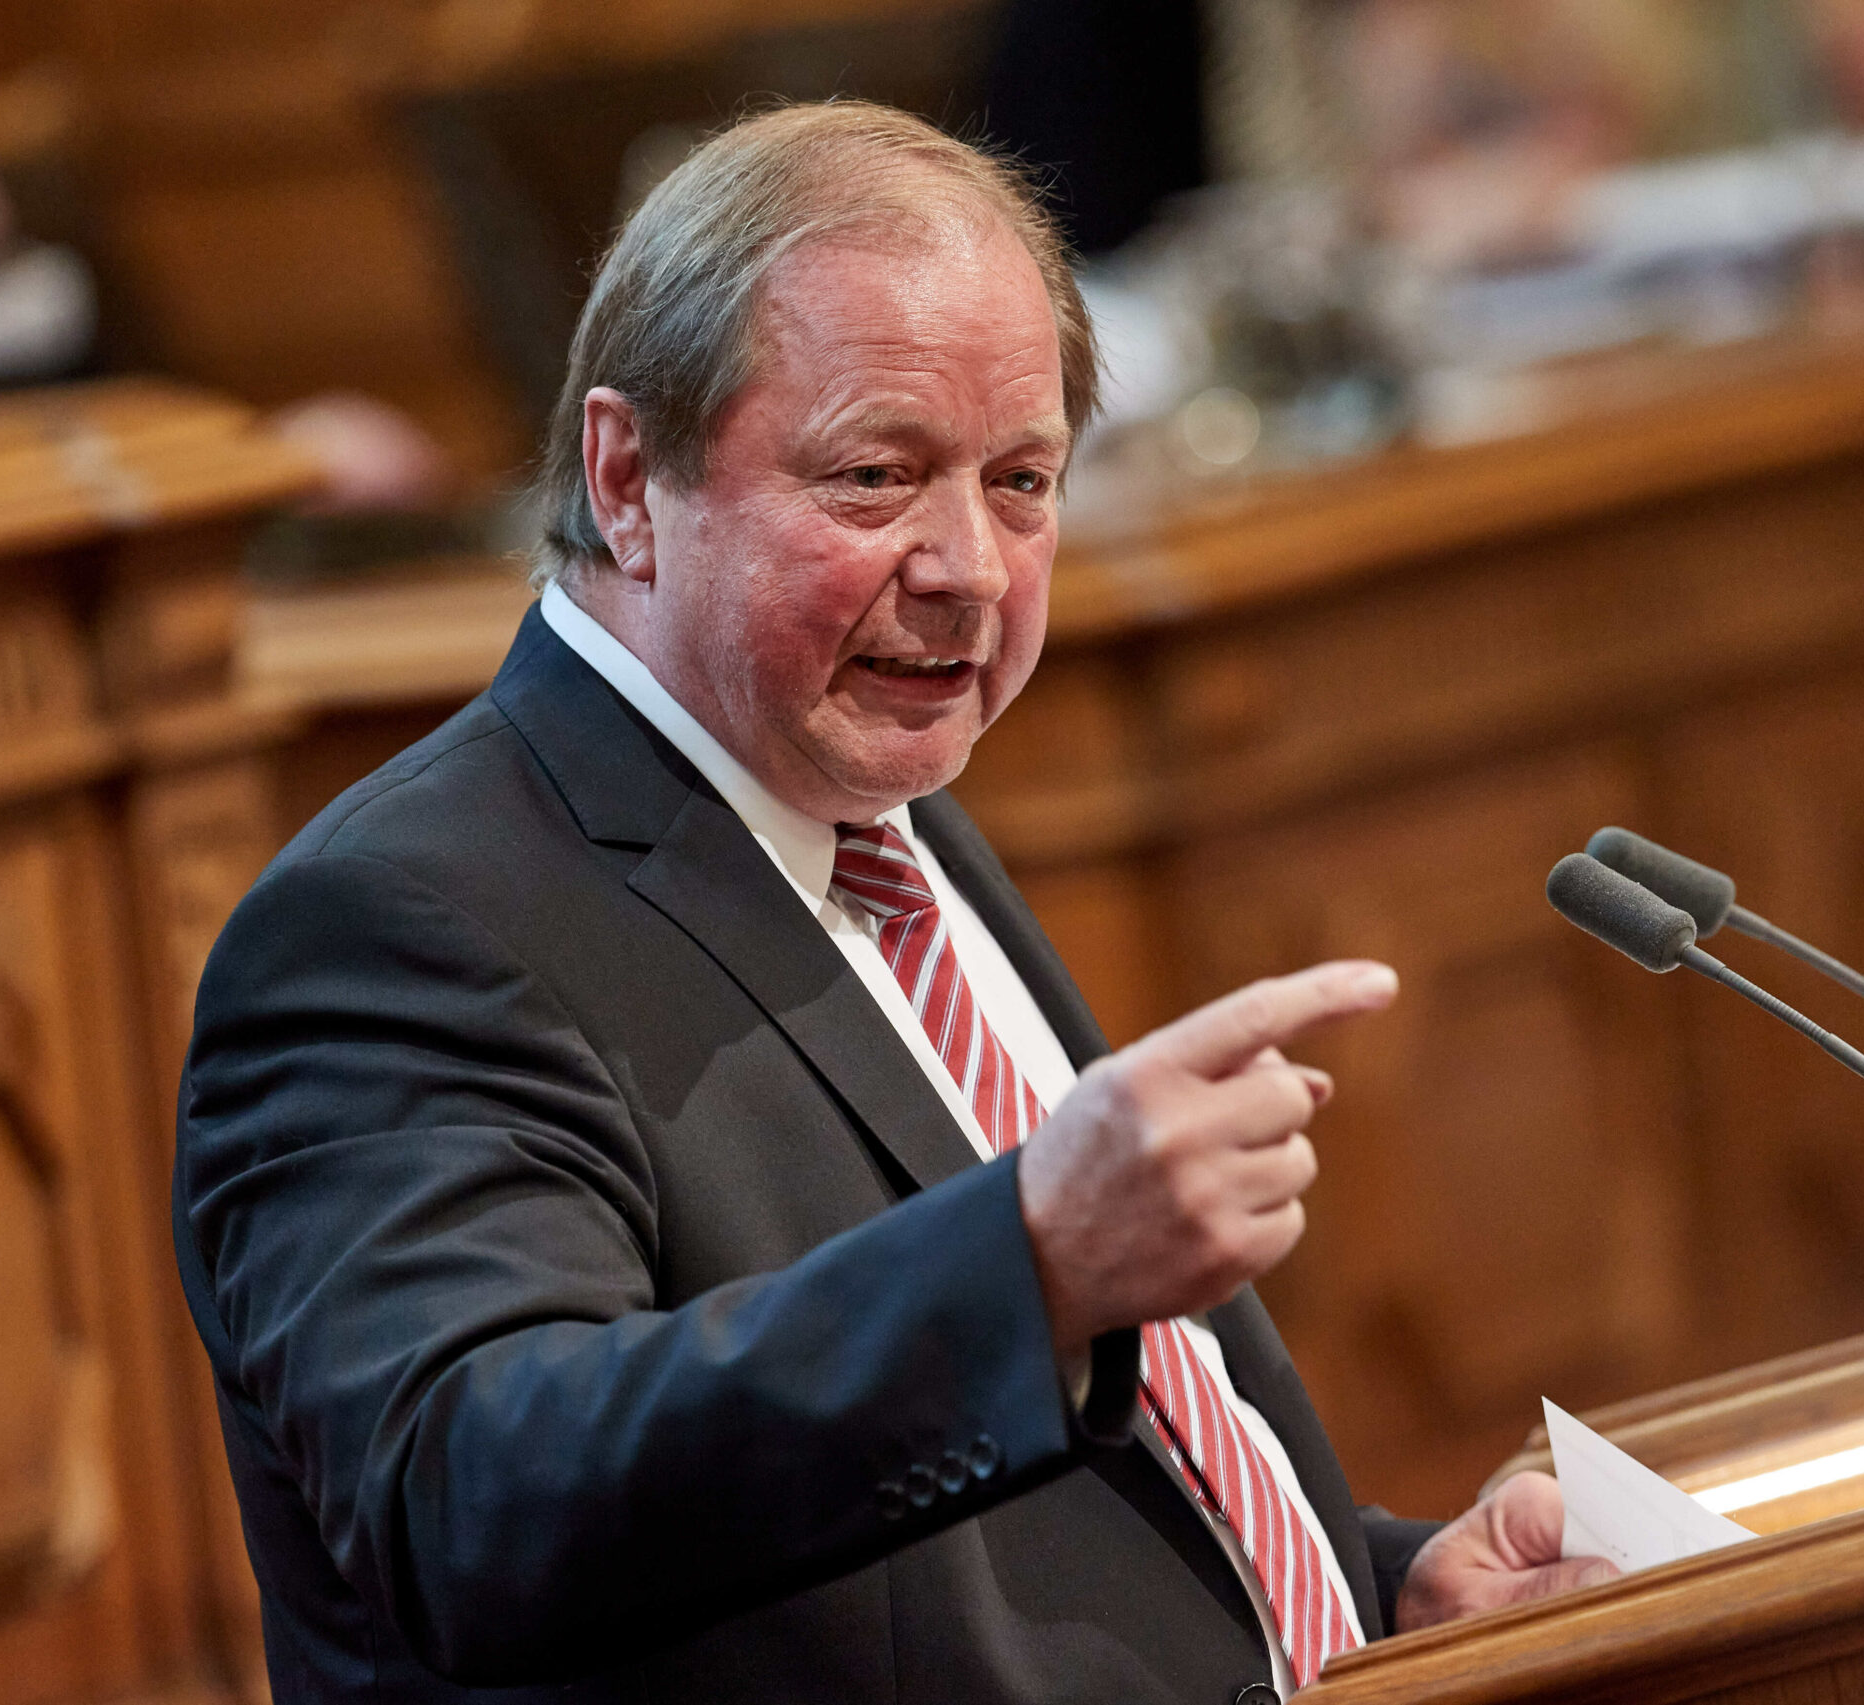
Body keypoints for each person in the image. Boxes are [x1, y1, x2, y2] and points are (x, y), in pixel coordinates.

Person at [175, 101, 1611, 1705]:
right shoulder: (398, 924)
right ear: (629, 477)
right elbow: (472, 1506)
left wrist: (1377, 1583)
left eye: (1021, 481)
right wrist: (1031, 1263)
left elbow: (960, 1514)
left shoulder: (880, 817)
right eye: (875, 477)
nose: (972, 570)